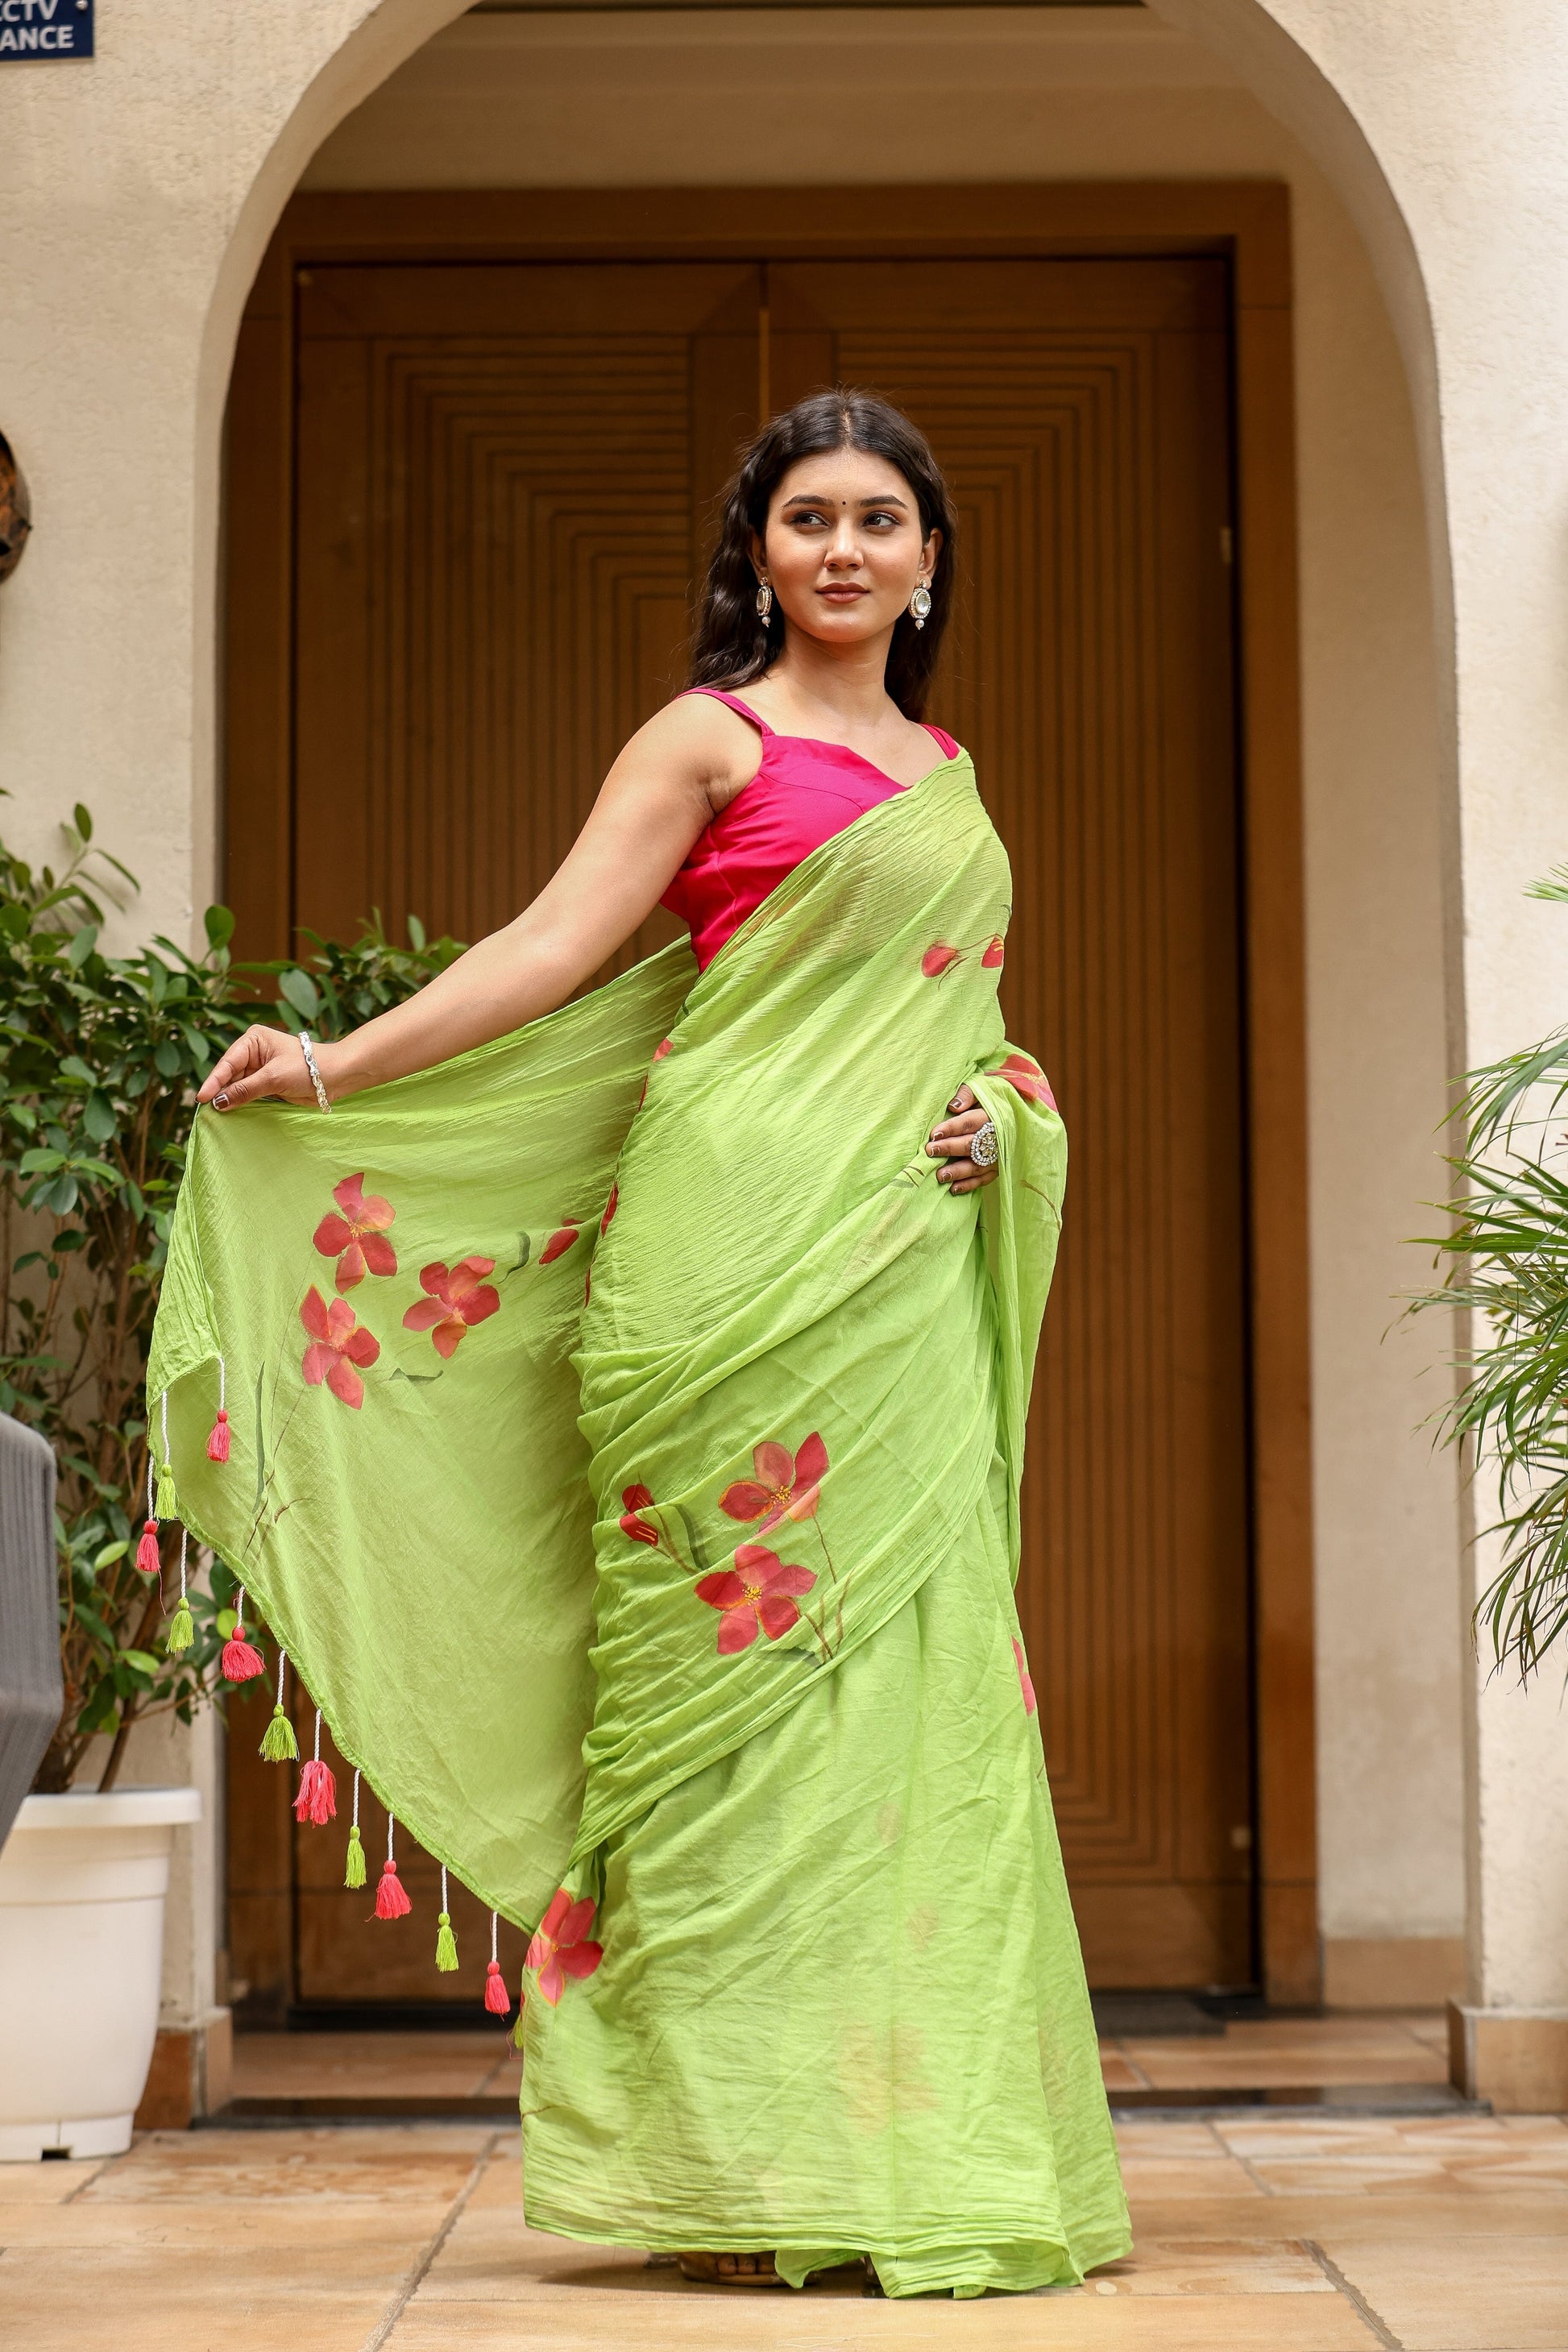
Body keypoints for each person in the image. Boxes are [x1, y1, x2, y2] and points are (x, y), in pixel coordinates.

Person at [164, 388, 1129, 2297]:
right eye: (804, 520)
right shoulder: (710, 736)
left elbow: (964, 1022)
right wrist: (328, 1062)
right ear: (755, 552)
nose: (841, 550)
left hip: (893, 1287)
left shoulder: (945, 766)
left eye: (878, 520)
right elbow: (549, 945)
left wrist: (1000, 1114)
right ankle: (722, 2157)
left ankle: (914, 2144)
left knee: (921, 1705)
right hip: (709, 1269)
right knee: (707, 1717)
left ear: (932, 555)